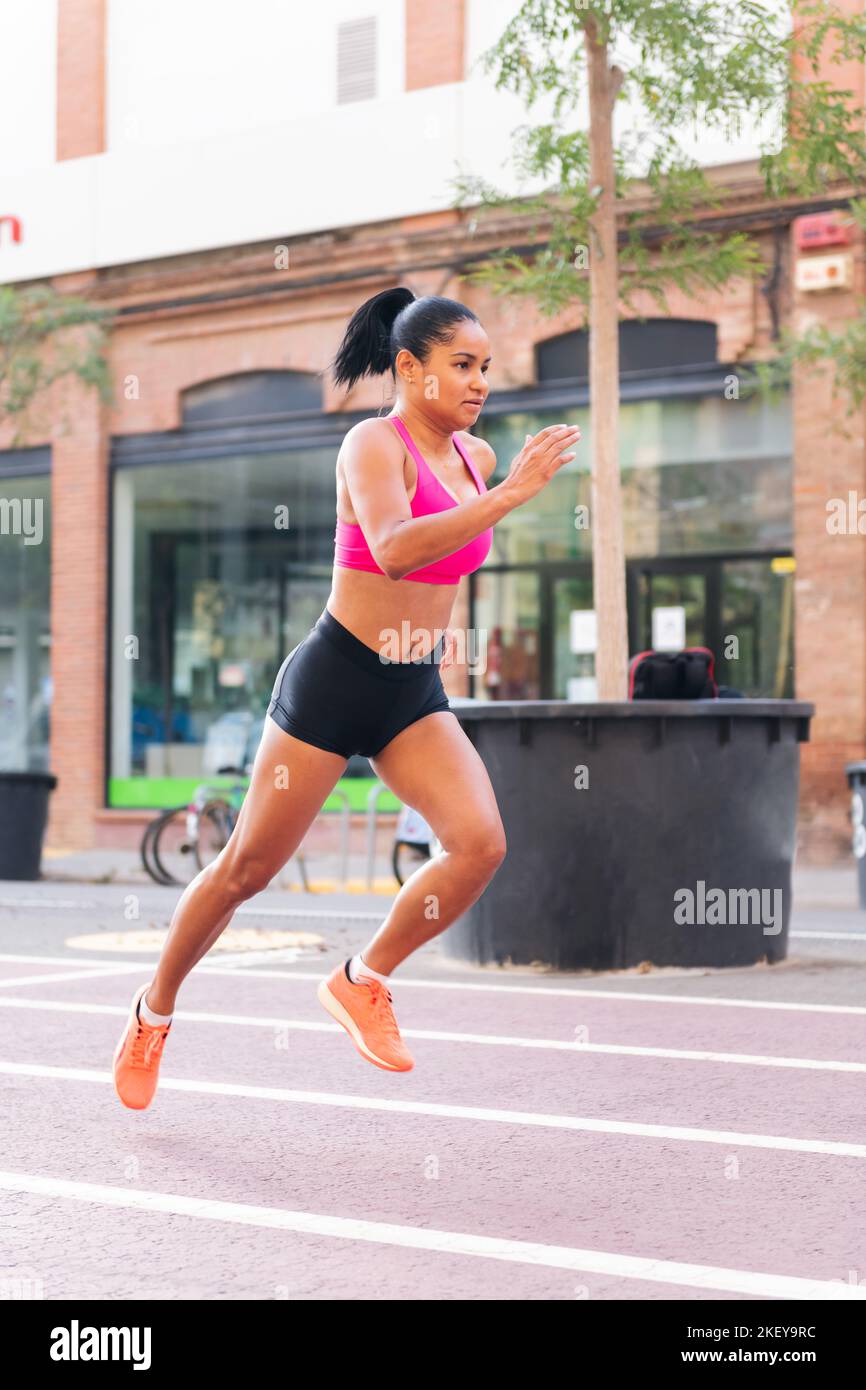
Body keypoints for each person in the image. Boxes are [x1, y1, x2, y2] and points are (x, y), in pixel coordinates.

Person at [113, 287, 580, 1107]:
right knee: (244, 871)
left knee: (479, 845)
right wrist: (509, 496)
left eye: (485, 369)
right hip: (335, 679)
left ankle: (363, 981)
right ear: (409, 367)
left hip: (412, 689)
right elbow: (396, 551)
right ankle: (153, 1012)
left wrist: (496, 493)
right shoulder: (374, 443)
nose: (479, 384)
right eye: (461, 366)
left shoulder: (474, 457)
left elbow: (446, 576)